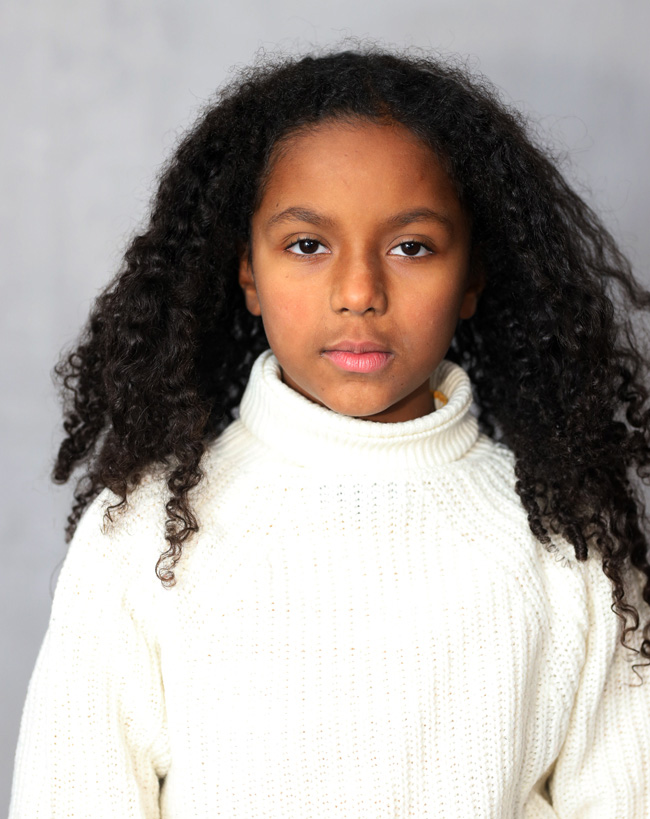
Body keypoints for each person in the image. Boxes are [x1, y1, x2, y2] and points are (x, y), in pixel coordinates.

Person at [8, 45, 650, 818]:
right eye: (307, 245)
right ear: (248, 272)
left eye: (411, 246)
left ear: (473, 276)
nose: (359, 291)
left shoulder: (567, 540)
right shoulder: (144, 535)